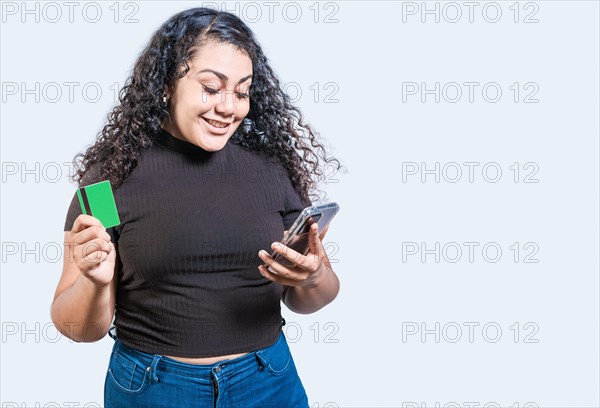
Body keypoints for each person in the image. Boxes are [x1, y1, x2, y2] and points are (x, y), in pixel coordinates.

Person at [50, 7, 342, 408]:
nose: (229, 107)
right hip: (153, 388)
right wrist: (95, 282)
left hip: (267, 382)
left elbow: (311, 298)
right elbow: (77, 327)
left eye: (241, 91)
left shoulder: (272, 170)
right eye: (211, 87)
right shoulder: (106, 183)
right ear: (167, 85)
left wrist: (311, 278)